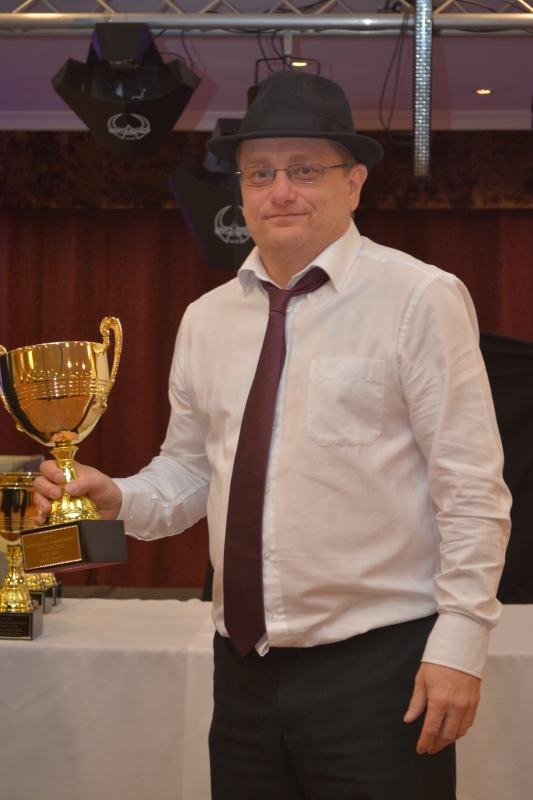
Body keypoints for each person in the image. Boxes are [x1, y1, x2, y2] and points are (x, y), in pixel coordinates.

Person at [34, 71, 511, 800]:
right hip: (243, 675)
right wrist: (117, 498)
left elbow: (471, 487)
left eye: (304, 170)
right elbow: (191, 474)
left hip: (380, 669)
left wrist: (460, 643)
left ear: (354, 184)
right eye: (259, 172)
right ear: (241, 190)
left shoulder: (419, 299)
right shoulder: (206, 319)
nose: (280, 190)